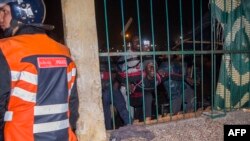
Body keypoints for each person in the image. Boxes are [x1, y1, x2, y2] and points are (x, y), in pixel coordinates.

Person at [0, 0, 79, 140]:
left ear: (23, 13)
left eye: (5, 12)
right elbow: (72, 106)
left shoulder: (5, 49)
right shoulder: (64, 52)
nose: (1, 18)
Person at [99, 57, 129, 130]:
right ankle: (108, 128)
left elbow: (119, 75)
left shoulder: (110, 61)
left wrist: (117, 82)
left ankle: (129, 124)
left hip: (112, 88)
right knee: (107, 108)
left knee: (121, 106)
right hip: (104, 90)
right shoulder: (96, 63)